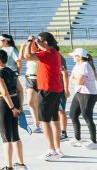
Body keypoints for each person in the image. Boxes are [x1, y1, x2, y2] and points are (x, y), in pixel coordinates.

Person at [22, 32, 65, 160]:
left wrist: (29, 42)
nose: (37, 43)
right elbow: (34, 52)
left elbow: (27, 56)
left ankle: (51, 150)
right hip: (55, 90)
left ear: (45, 42)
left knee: (44, 121)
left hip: (47, 90)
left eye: (39, 41)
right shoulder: (54, 53)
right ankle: (57, 149)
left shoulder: (47, 54)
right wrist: (35, 43)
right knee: (54, 119)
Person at [0, 49, 27, 170]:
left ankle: (9, 167)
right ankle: (21, 165)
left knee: (6, 137)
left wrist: (12, 108)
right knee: (15, 136)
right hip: (15, 102)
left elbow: (4, 93)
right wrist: (19, 106)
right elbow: (20, 90)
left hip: (4, 106)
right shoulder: (12, 72)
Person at [69, 48, 97, 148]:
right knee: (73, 115)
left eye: (74, 56)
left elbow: (79, 82)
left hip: (88, 95)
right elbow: (74, 79)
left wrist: (74, 79)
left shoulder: (85, 65)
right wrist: (74, 79)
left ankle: (94, 142)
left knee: (87, 117)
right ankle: (77, 138)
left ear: (79, 57)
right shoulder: (77, 65)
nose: (72, 57)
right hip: (79, 93)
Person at [19, 41, 41, 132]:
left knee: (38, 103)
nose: (30, 47)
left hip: (38, 79)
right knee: (30, 102)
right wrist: (22, 47)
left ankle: (40, 122)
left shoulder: (39, 54)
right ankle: (36, 123)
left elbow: (26, 56)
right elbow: (20, 58)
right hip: (30, 79)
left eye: (31, 45)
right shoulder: (30, 55)